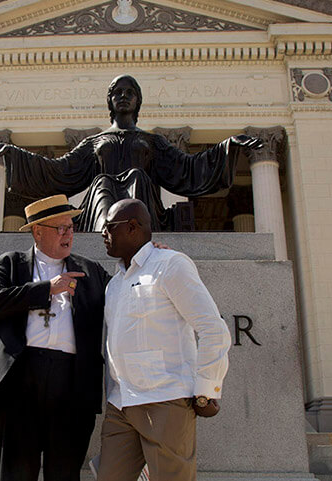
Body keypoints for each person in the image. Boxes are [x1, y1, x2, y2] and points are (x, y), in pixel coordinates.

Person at [0, 74, 263, 231]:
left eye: (130, 92)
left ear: (138, 102)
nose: (124, 96)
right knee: (102, 183)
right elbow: (60, 170)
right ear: (110, 102)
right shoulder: (95, 142)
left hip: (144, 205)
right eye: (118, 92)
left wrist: (229, 146)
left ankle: (132, 232)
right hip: (101, 204)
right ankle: (109, 233)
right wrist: (13, 153)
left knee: (137, 176)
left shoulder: (153, 142)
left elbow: (187, 168)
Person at [0, 194, 110, 481]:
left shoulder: (91, 271)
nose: (68, 235)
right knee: (15, 473)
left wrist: (149, 261)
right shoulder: (10, 264)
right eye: (59, 228)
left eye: (71, 228)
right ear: (38, 231)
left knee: (64, 473)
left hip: (71, 384)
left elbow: (124, 295)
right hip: (19, 382)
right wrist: (46, 289)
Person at [97, 199, 231, 481]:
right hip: (120, 404)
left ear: (132, 227)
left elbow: (212, 329)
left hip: (165, 399)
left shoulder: (170, 265)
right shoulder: (114, 284)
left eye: (109, 226)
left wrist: (205, 390)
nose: (102, 233)